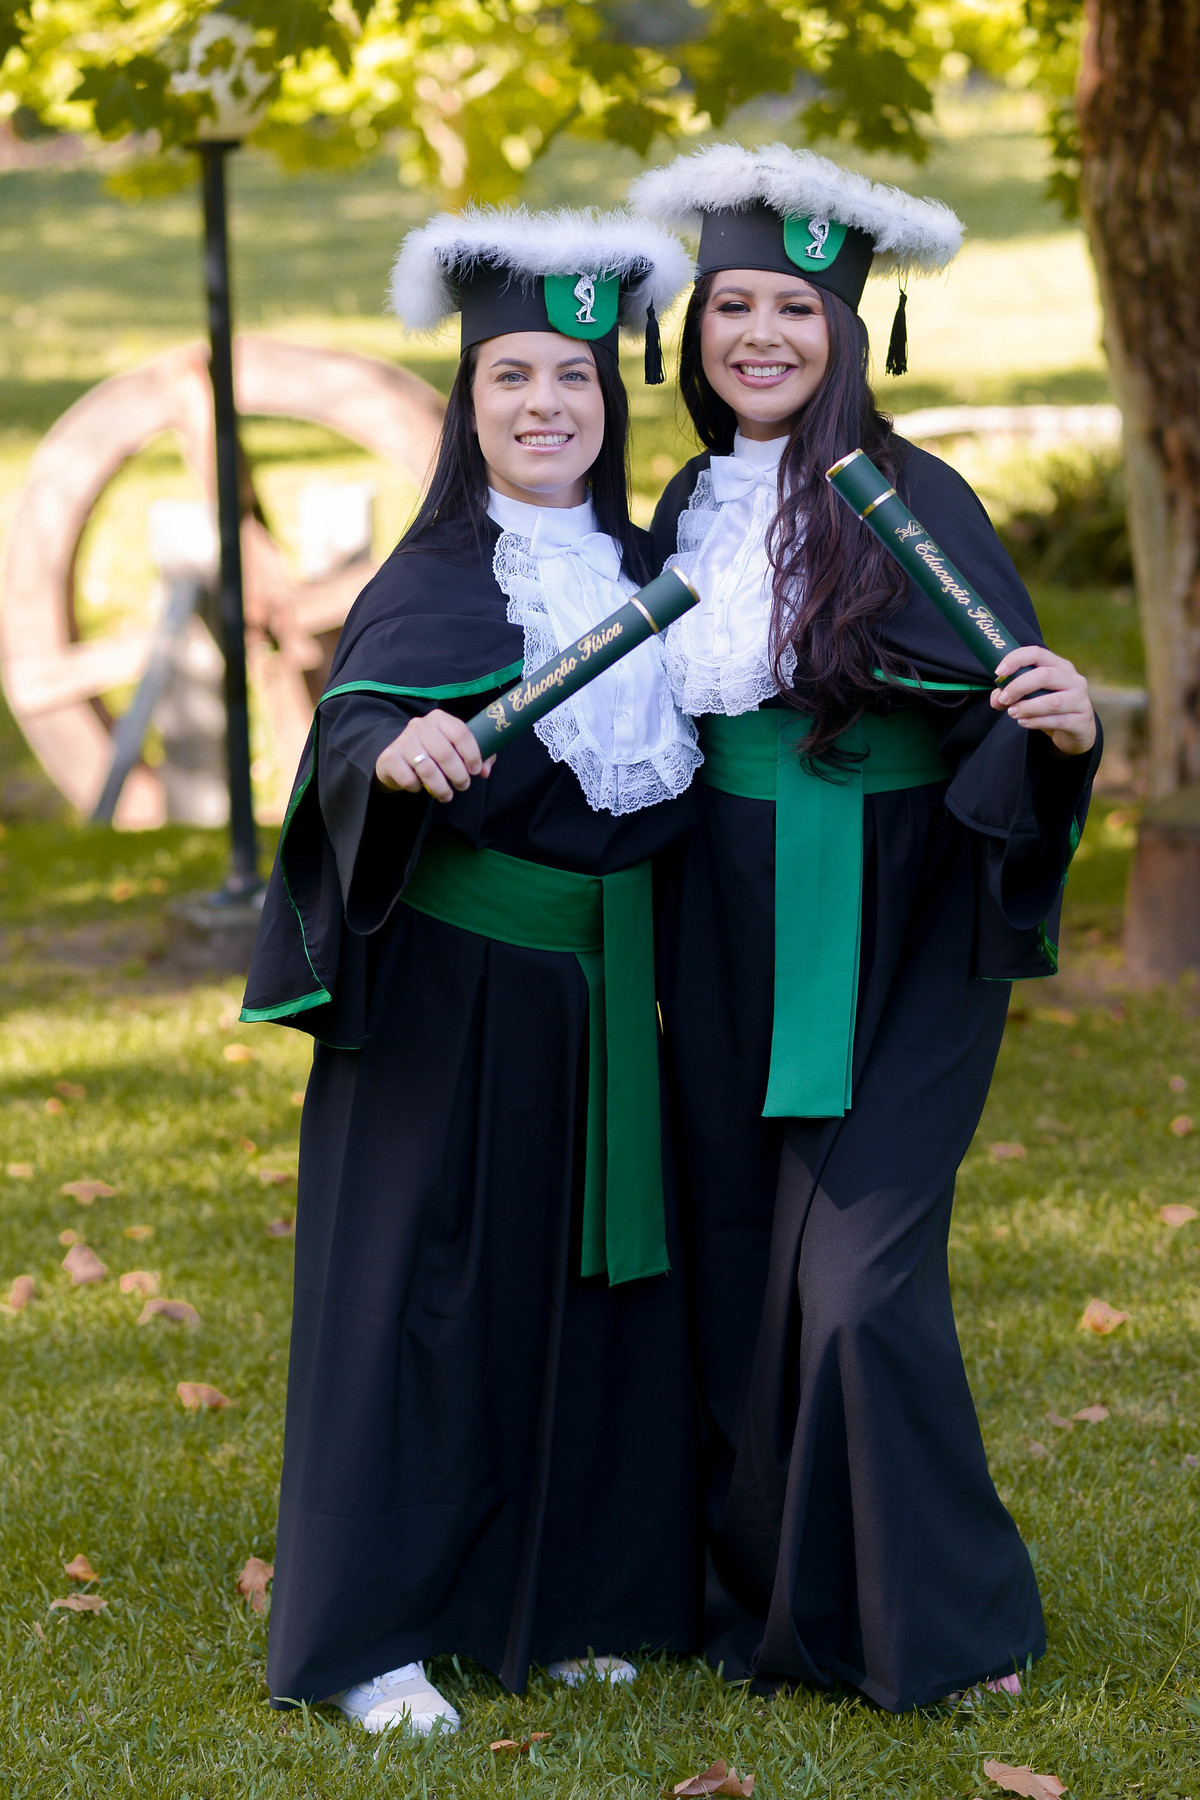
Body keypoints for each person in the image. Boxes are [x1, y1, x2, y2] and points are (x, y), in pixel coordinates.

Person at [629, 143, 1102, 1712]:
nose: (760, 334)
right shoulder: (688, 503)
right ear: (696, 325)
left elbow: (1012, 702)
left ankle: (950, 1626)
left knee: (856, 1283)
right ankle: (768, 1597)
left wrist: (1064, 729)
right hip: (724, 927)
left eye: (796, 308)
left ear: (849, 326)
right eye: (732, 305)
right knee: (736, 1261)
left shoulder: (915, 498)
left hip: (898, 931)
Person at [240, 205, 702, 1734]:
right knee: (420, 1304)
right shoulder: (437, 572)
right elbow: (355, 729)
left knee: (582, 1293)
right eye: (511, 376)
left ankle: (564, 1602)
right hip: (448, 992)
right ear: (468, 399)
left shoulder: (652, 569)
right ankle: (369, 1639)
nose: (545, 404)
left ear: (610, 397)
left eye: (574, 377)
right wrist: (396, 754)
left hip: (599, 997)